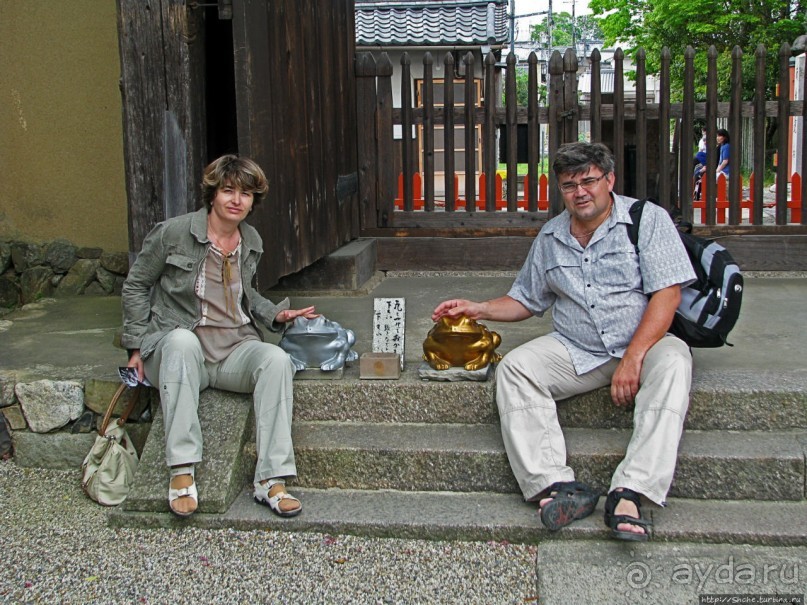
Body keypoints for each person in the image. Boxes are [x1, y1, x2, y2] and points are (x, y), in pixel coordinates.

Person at [432, 142, 696, 542]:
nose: (580, 192)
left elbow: (667, 295)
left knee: (676, 362)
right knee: (516, 368)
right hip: (579, 349)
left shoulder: (647, 219)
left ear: (609, 180)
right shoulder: (552, 235)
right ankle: (557, 484)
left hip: (647, 344)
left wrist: (634, 357)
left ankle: (631, 491)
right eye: (569, 185)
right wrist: (476, 308)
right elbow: (525, 298)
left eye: (589, 181)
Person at [121, 154, 318, 518]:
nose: (236, 200)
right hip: (181, 347)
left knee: (276, 360)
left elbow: (244, 293)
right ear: (212, 194)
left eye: (245, 194)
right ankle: (181, 471)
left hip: (232, 350)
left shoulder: (251, 240)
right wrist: (135, 345)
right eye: (228, 190)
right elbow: (136, 286)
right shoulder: (173, 233)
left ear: (252, 202)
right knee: (181, 342)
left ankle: (270, 480)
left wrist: (276, 313)